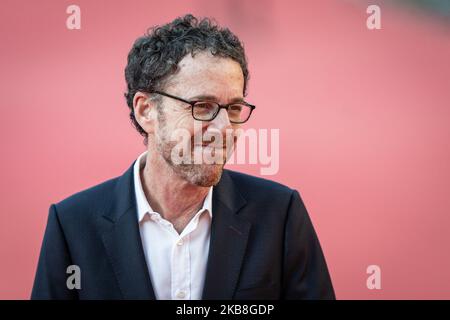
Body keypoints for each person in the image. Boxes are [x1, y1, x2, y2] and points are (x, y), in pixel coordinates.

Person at [31, 14, 335, 300]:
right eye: (202, 106)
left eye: (233, 109)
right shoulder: (72, 226)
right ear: (146, 110)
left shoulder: (279, 215)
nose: (224, 129)